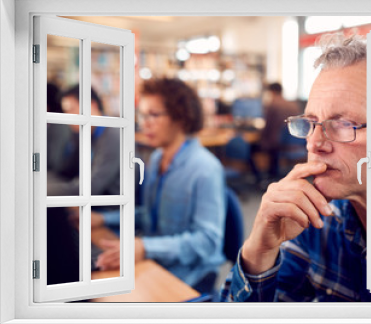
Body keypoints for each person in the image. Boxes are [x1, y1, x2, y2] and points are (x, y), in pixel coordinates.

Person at [220, 34, 371, 302]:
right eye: (310, 122)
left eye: (343, 124)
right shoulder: (315, 214)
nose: (314, 144)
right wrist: (260, 250)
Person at [92, 78, 227, 294]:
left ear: (180, 117)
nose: (144, 123)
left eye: (153, 115)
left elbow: (207, 241)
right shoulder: (156, 159)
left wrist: (146, 247)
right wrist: (103, 219)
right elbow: (149, 214)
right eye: (142, 115)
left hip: (189, 274)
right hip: (155, 261)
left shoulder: (205, 168)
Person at [47, 85, 120, 196]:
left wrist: (45, 191)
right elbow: (67, 172)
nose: (67, 117)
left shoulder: (113, 135)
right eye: (65, 112)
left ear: (92, 105)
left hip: (110, 207)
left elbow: (93, 186)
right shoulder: (85, 134)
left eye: (72, 109)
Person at [257, 83, 301, 181]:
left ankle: (261, 178)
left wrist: (261, 138)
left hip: (278, 143)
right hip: (295, 142)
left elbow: (267, 127)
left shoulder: (273, 104)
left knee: (252, 147)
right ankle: (272, 175)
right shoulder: (293, 104)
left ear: (271, 92)